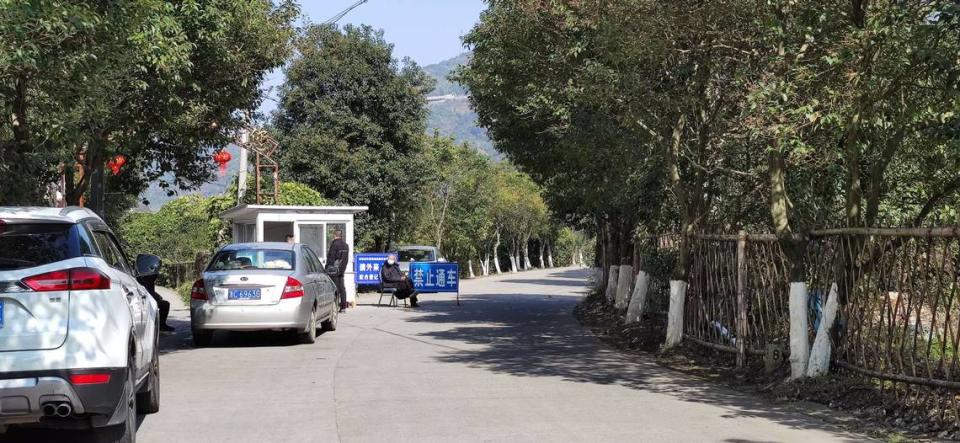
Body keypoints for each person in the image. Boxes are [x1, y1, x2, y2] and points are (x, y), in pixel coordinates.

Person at [326, 229, 350, 312]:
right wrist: (342, 269)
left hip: (333, 270)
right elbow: (346, 259)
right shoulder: (346, 245)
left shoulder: (334, 244)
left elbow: (331, 257)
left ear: (334, 235)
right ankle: (343, 307)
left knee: (334, 288)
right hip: (342, 270)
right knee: (342, 288)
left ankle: (335, 306)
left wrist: (327, 268)